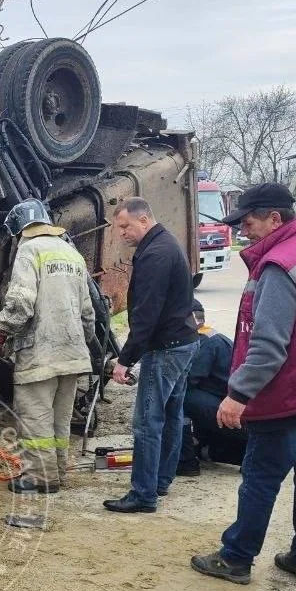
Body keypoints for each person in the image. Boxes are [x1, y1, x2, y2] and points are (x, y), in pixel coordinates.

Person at [190, 183, 296, 586]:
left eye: (248, 221)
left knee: (260, 479)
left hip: (294, 396)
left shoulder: (278, 266)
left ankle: (236, 557)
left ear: (274, 218)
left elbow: (268, 346)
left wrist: (238, 395)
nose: (243, 230)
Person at [0, 200, 96, 494]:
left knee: (36, 419)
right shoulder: (72, 253)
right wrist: (81, 342)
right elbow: (88, 313)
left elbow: (21, 304)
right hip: (72, 355)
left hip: (40, 354)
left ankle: (39, 478)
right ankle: (57, 472)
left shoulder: (29, 250)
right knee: (60, 420)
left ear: (18, 231)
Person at [102, 197, 199, 514]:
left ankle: (143, 494)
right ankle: (160, 481)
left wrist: (125, 360)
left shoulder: (155, 254)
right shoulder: (167, 243)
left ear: (144, 220)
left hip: (166, 348)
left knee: (147, 422)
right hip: (184, 342)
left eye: (125, 226)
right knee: (171, 415)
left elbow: (146, 315)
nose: (121, 233)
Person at [177, 300, 247, 474]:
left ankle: (185, 461)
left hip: (238, 417)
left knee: (178, 397)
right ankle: (201, 444)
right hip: (241, 412)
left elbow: (187, 381)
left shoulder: (203, 343)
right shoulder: (211, 335)